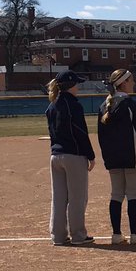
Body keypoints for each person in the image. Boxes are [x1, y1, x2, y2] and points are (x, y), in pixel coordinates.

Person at [96, 69, 136, 245]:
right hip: (131, 157)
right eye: (131, 80)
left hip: (112, 158)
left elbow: (101, 136)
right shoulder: (131, 105)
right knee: (133, 195)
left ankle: (116, 234)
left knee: (116, 195)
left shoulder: (104, 106)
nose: (133, 83)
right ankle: (134, 233)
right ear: (123, 84)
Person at [46, 70, 96, 246]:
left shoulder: (51, 106)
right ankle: (78, 235)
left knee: (59, 197)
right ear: (70, 85)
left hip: (55, 155)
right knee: (77, 197)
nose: (79, 87)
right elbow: (81, 132)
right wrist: (90, 155)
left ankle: (58, 236)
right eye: (77, 83)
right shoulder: (73, 105)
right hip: (73, 156)